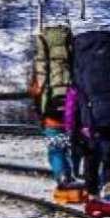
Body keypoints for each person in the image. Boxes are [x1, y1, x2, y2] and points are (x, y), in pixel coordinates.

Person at [66, 29, 110, 206]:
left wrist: (72, 128)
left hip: (89, 120)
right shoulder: (109, 56)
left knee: (92, 156)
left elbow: (74, 96)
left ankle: (92, 195)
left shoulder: (78, 60)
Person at [29, 24, 77, 189]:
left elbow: (36, 89)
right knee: (69, 146)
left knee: (56, 148)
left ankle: (62, 176)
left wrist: (38, 110)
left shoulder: (42, 62)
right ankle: (73, 175)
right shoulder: (72, 56)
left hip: (51, 113)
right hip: (72, 110)